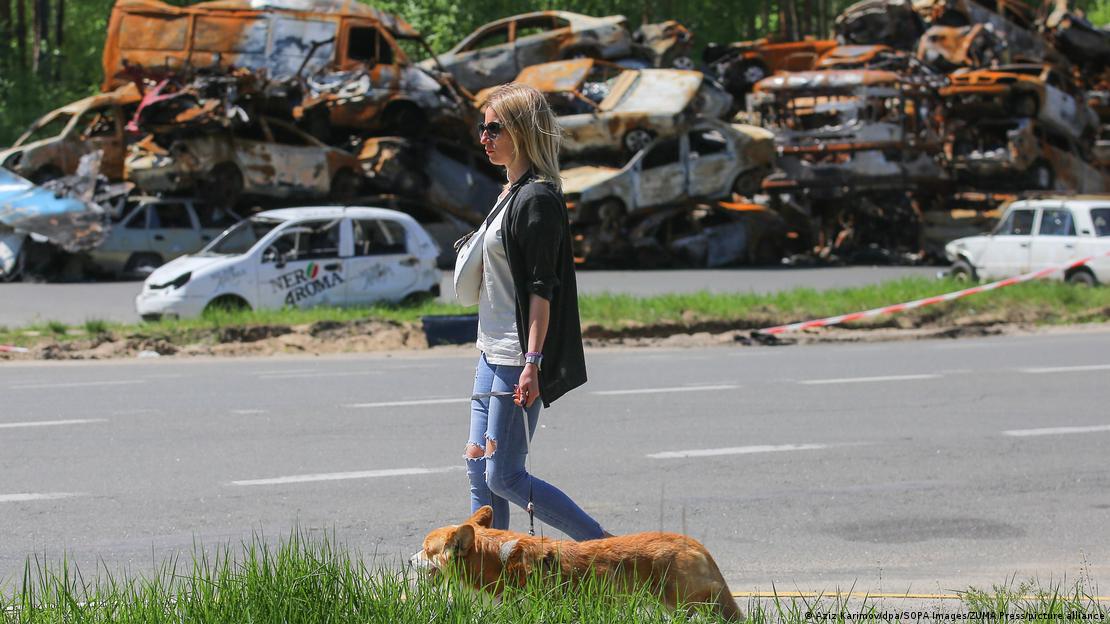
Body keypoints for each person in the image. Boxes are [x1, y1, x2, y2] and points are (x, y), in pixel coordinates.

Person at [464, 83, 612, 541]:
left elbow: (541, 290)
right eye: (482, 128)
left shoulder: (537, 199)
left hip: (516, 357)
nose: (483, 138)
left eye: (493, 129)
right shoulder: (509, 190)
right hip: (491, 351)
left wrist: (533, 363)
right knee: (477, 466)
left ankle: (607, 552)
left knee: (503, 476)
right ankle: (489, 591)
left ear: (523, 131)